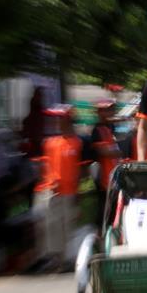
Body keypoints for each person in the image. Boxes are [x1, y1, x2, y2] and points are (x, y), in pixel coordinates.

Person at [34, 106, 84, 272]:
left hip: (69, 192)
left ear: (68, 120)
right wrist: (47, 183)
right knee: (51, 226)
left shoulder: (77, 143)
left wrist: (78, 191)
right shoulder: (50, 143)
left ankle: (65, 259)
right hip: (52, 191)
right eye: (56, 119)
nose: (57, 123)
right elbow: (45, 165)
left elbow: (81, 170)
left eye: (60, 119)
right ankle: (54, 259)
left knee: (66, 226)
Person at [90, 99, 121, 227]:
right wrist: (122, 151)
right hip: (102, 174)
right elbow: (103, 152)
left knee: (114, 205)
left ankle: (112, 229)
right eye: (107, 109)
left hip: (113, 172)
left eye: (112, 109)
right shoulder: (97, 130)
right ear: (99, 112)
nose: (111, 111)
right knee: (104, 207)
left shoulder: (111, 127)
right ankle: (101, 233)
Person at [22, 87, 45, 158]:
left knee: (35, 151)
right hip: (36, 134)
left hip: (36, 135)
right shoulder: (36, 105)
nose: (41, 96)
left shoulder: (37, 105)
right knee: (36, 151)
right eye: (40, 94)